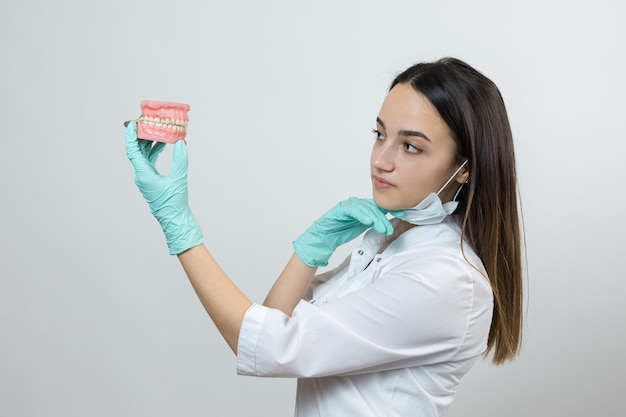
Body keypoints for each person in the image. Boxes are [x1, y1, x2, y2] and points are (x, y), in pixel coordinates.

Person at [124, 57, 524, 416]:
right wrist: (309, 251)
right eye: (380, 134)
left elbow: (269, 347)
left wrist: (177, 224)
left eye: (411, 147)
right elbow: (275, 318)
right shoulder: (388, 242)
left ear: (465, 167)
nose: (381, 160)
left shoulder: (446, 278)